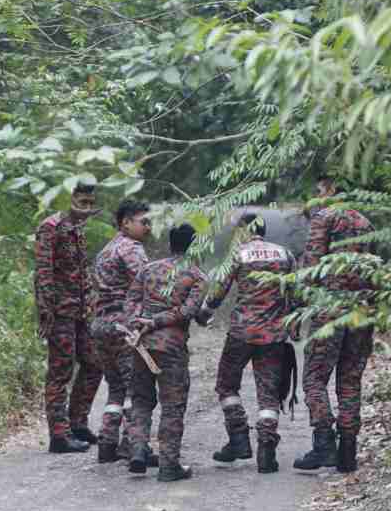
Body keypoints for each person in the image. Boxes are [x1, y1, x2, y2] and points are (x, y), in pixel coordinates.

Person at [197, 213, 298, 474]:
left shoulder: (238, 255)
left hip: (241, 334)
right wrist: (294, 327)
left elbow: (218, 291)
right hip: (273, 335)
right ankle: (266, 451)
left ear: (244, 230)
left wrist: (204, 313)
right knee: (268, 394)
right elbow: (297, 294)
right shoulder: (285, 254)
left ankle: (239, 439)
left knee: (226, 385)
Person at [292, 178, 377, 473]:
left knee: (314, 378)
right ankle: (348, 452)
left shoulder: (324, 218)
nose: (316, 197)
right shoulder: (366, 222)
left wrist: (297, 308)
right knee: (350, 380)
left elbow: (311, 266)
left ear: (329, 189)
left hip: (329, 309)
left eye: (318, 190)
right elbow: (375, 270)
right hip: (362, 311)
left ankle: (324, 444)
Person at [124, 224, 207, 482]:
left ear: (171, 243)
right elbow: (187, 311)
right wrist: (158, 321)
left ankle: (137, 450)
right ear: (195, 246)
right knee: (172, 406)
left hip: (141, 345)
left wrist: (139, 321)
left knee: (140, 400)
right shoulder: (196, 276)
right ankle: (169, 466)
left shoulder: (148, 269)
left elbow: (130, 301)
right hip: (170, 349)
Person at [34, 184, 104, 453]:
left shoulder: (78, 228)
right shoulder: (50, 227)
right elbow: (44, 272)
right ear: (69, 199)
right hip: (60, 311)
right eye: (82, 202)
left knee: (94, 363)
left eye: (90, 203)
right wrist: (46, 311)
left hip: (82, 310)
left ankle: (77, 423)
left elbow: (82, 270)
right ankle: (59, 435)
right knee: (60, 371)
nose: (86, 208)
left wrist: (94, 298)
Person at [90, 199, 156, 464]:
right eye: (144, 222)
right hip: (124, 328)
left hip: (101, 326)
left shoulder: (106, 250)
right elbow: (149, 284)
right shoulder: (131, 249)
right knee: (136, 389)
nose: (148, 228)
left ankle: (107, 442)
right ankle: (134, 445)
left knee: (116, 388)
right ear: (125, 222)